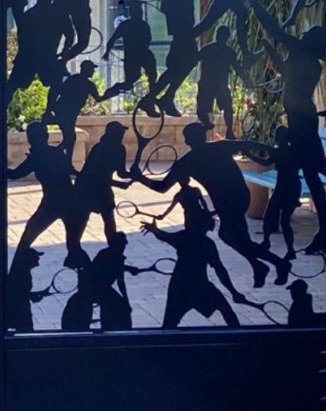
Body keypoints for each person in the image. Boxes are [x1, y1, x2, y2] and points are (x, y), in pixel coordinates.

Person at [132, 123, 291, 288]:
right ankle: (261, 266)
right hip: (238, 197)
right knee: (234, 237)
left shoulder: (188, 161)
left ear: (187, 141)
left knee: (234, 237)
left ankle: (275, 264)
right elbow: (248, 143)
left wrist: (140, 178)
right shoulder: (220, 147)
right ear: (203, 136)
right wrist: (272, 150)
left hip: (228, 202)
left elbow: (162, 187)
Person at [258, 20, 326, 254]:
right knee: (314, 171)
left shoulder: (301, 53)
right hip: (302, 117)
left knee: (317, 167)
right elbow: (286, 73)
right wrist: (269, 51)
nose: (303, 33)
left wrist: (253, 2)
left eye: (308, 33)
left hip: (302, 119)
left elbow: (276, 29)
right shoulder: (308, 61)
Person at [140, 189, 245, 329]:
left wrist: (154, 229)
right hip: (200, 285)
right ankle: (239, 340)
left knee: (169, 326)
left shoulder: (183, 237)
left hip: (180, 287)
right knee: (227, 311)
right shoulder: (208, 244)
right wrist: (233, 292)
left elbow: (164, 236)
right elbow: (220, 270)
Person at [137, 0, 206, 116]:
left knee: (182, 60)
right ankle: (158, 98)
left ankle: (158, 97)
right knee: (188, 57)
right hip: (180, 12)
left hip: (178, 10)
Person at [7, 122, 88, 268]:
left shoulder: (36, 157)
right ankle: (89, 279)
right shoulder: (54, 153)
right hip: (71, 202)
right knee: (74, 246)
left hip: (53, 203)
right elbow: (72, 171)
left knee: (27, 238)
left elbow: (14, 174)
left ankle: (13, 275)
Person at [6, 0, 71, 99]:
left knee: (11, 88)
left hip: (33, 58)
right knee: (59, 83)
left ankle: (51, 110)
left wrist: (64, 54)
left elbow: (70, 35)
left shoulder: (30, 15)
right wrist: (64, 54)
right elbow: (70, 35)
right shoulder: (57, 15)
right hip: (40, 58)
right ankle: (51, 110)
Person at [61, 232, 135, 332]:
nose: (123, 246)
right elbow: (106, 270)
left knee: (118, 305)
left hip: (103, 287)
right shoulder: (106, 254)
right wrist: (127, 268)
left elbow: (120, 281)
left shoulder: (117, 257)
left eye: (124, 244)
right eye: (121, 243)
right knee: (115, 304)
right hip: (96, 287)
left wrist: (126, 300)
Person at [72, 122, 133, 242]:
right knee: (85, 220)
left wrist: (133, 175)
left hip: (97, 188)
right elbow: (95, 176)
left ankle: (112, 247)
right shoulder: (104, 149)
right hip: (87, 188)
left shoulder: (114, 149)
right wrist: (120, 184)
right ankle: (75, 246)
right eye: (120, 133)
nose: (122, 135)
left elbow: (121, 173)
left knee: (107, 220)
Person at [42, 60, 113, 159]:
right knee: (70, 138)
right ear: (86, 69)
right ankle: (54, 156)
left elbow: (97, 98)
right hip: (66, 111)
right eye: (92, 69)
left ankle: (66, 161)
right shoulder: (80, 82)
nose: (93, 71)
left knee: (70, 138)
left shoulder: (78, 81)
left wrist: (111, 93)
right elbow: (57, 92)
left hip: (68, 112)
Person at [193, 26, 253, 138]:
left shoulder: (216, 50)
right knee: (203, 109)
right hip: (212, 85)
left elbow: (238, 69)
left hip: (217, 85)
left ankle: (228, 130)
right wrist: (247, 81)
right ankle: (210, 125)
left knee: (227, 109)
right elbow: (238, 70)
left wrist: (247, 81)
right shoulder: (222, 51)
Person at [259, 126, 302, 260]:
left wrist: (249, 154)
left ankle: (267, 242)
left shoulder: (279, 152)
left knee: (269, 216)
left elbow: (265, 162)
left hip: (284, 187)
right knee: (284, 220)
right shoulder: (293, 151)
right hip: (293, 186)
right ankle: (290, 249)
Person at [101, 1, 156, 98]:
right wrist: (106, 53)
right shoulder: (135, 25)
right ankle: (151, 96)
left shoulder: (130, 25)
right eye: (139, 13)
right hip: (136, 55)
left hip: (136, 55)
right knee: (132, 81)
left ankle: (151, 96)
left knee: (149, 76)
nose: (140, 15)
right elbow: (113, 39)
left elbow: (112, 39)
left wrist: (107, 52)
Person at [4, 247, 46, 333]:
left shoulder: (22, 272)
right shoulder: (21, 274)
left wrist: (34, 295)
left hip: (21, 310)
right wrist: (33, 296)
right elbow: (17, 294)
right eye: (36, 258)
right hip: (19, 312)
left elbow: (21, 293)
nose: (38, 262)